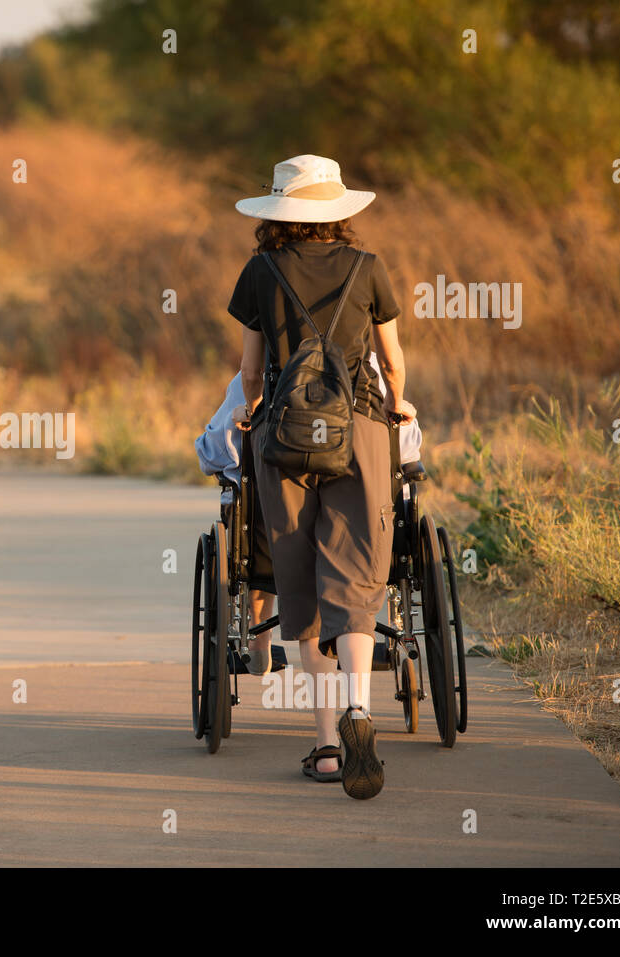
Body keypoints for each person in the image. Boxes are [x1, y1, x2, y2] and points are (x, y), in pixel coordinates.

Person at [228, 154, 416, 800]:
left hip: (284, 438)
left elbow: (252, 372)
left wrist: (251, 409)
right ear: (339, 211)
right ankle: (360, 708)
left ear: (279, 212)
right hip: (359, 429)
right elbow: (391, 359)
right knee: (356, 575)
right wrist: (399, 401)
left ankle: (328, 748)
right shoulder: (368, 269)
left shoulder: (261, 271)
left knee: (300, 578)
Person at [193, 363, 422, 676]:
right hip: (362, 541)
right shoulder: (372, 373)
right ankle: (380, 636)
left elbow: (213, 455)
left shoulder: (256, 378)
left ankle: (258, 641)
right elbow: (407, 452)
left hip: (274, 543)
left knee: (255, 510)